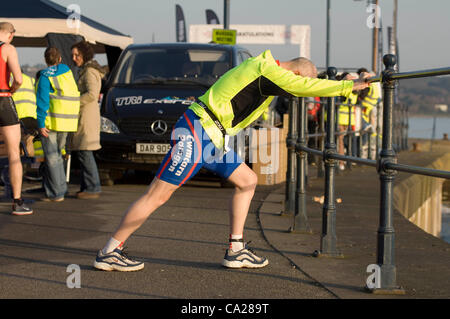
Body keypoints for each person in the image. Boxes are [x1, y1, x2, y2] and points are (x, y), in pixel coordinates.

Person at [93, 50, 370, 272]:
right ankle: (109, 251)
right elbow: (302, 87)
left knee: (247, 180)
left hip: (211, 137)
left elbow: (296, 87)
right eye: (296, 79)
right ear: (295, 71)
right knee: (157, 195)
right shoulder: (266, 71)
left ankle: (236, 250)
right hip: (197, 132)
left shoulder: (263, 69)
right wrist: (349, 86)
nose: (290, 88)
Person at [36, 47, 80, 202]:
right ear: (60, 59)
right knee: (58, 156)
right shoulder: (68, 73)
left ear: (46, 60)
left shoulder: (45, 76)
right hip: (68, 122)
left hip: (51, 122)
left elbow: (42, 102)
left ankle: (57, 193)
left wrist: (40, 123)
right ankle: (55, 190)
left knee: (52, 158)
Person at [0, 22, 33, 215]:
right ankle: (18, 201)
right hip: (3, 100)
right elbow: (18, 79)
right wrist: (12, 90)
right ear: (11, 34)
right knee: (14, 153)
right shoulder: (8, 48)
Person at [69, 41, 105, 199]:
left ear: (85, 54)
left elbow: (92, 94)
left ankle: (92, 188)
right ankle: (87, 187)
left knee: (85, 152)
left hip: (86, 117)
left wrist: (74, 102)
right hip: (86, 116)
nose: (74, 58)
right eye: (73, 55)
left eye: (77, 55)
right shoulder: (87, 70)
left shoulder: (89, 71)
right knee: (84, 152)